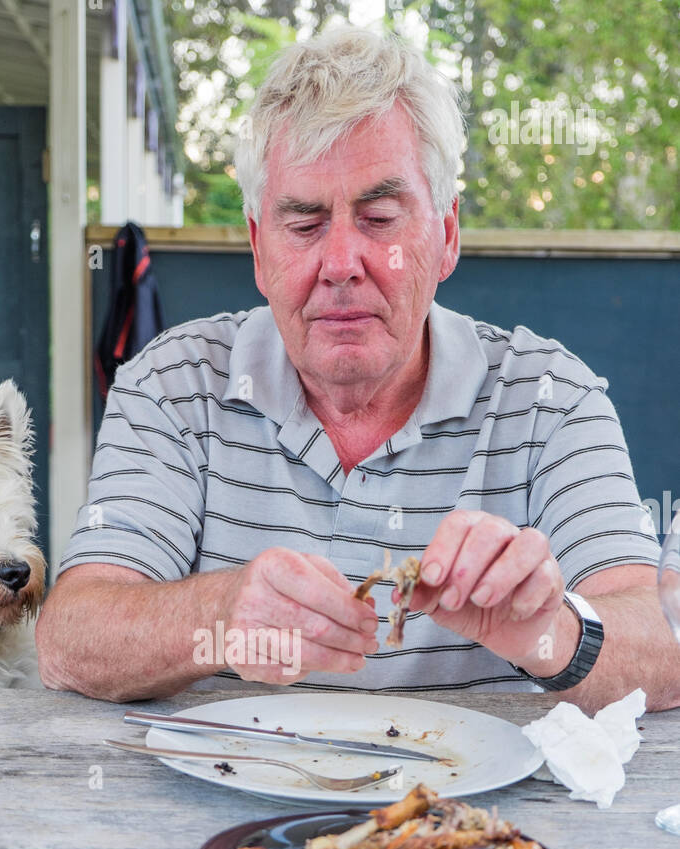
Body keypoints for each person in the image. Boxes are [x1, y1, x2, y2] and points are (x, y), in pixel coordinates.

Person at [36, 26, 675, 714]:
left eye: (378, 217)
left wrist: (549, 631)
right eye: (304, 224)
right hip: (214, 806)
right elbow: (68, 639)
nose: (340, 264)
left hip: (472, 817)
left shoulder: (552, 397)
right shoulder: (171, 384)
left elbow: (662, 646)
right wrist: (217, 618)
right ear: (258, 248)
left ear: (447, 233)